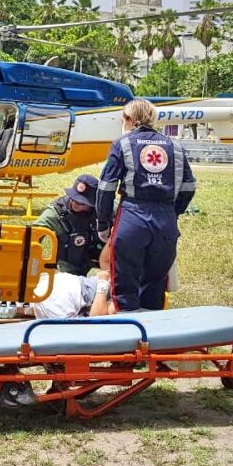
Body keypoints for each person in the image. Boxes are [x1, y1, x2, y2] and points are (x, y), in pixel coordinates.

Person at [96, 98, 196, 312]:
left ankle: (126, 336)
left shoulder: (122, 144)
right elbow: (189, 187)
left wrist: (103, 223)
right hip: (165, 220)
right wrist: (172, 212)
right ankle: (151, 338)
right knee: (155, 286)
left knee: (124, 286)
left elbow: (106, 187)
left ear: (129, 119)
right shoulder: (175, 146)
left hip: (132, 216)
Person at [34, 174, 103, 276]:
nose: (76, 204)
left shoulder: (104, 209)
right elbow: (32, 235)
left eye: (81, 202)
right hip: (70, 265)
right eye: (74, 199)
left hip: (101, 259)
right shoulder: (55, 214)